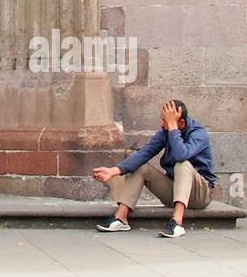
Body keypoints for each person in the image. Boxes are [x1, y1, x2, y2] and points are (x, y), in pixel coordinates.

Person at [92, 99, 217, 238]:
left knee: (182, 164)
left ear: (181, 122)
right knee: (141, 167)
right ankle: (121, 218)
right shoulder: (166, 131)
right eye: (163, 120)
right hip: (175, 192)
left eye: (166, 121)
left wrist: (172, 128)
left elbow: (182, 155)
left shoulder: (198, 133)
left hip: (200, 195)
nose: (162, 125)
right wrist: (113, 171)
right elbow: (145, 152)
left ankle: (177, 222)